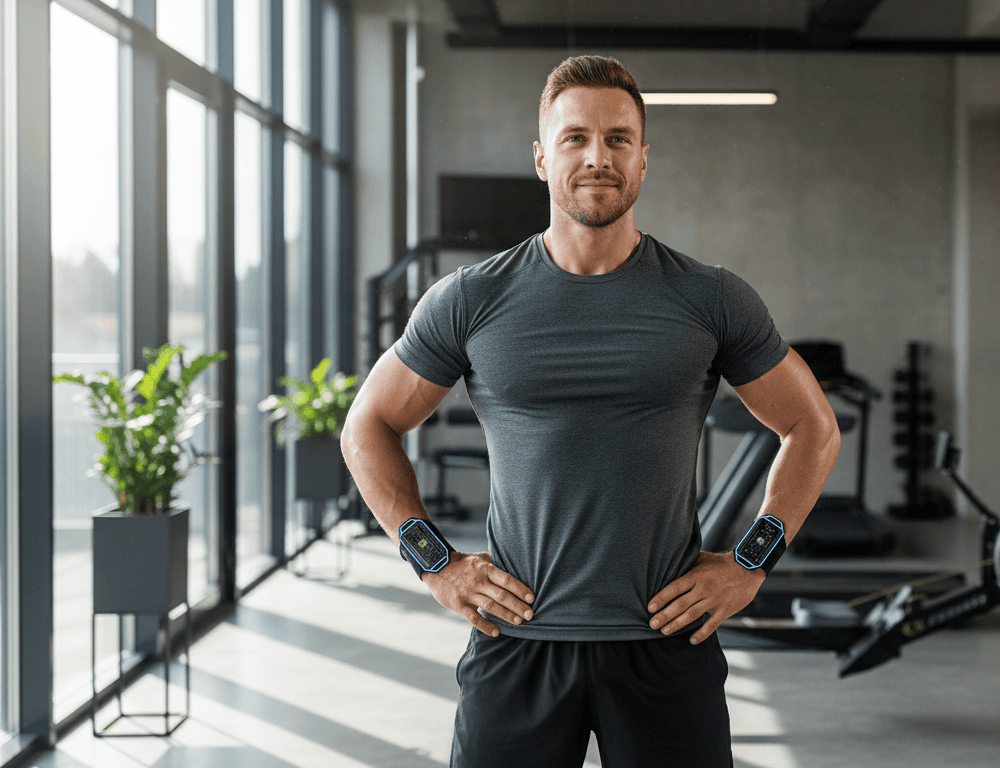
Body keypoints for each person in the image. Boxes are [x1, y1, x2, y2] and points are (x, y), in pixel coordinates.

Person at [341, 55, 841, 768]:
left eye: (617, 138)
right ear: (543, 160)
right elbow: (368, 424)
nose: (597, 156)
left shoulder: (711, 297)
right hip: (516, 644)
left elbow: (812, 426)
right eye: (575, 138)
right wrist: (435, 563)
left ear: (644, 159)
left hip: (667, 645)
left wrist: (750, 563)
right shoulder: (470, 300)